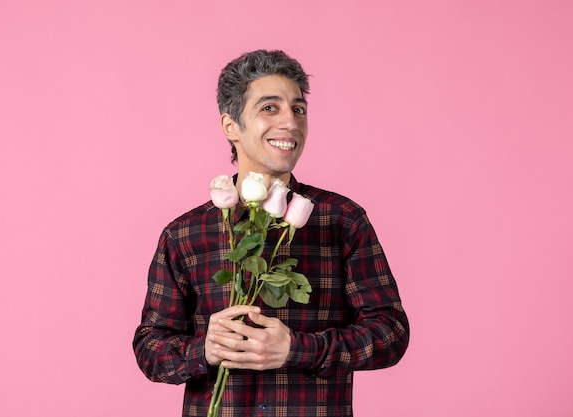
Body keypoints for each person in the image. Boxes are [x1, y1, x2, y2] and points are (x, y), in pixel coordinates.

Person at [133, 49, 410, 417]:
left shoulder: (342, 219)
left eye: (298, 110)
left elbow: (390, 332)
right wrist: (205, 350)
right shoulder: (185, 234)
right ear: (231, 125)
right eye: (269, 108)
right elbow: (151, 348)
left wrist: (298, 349)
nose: (290, 123)